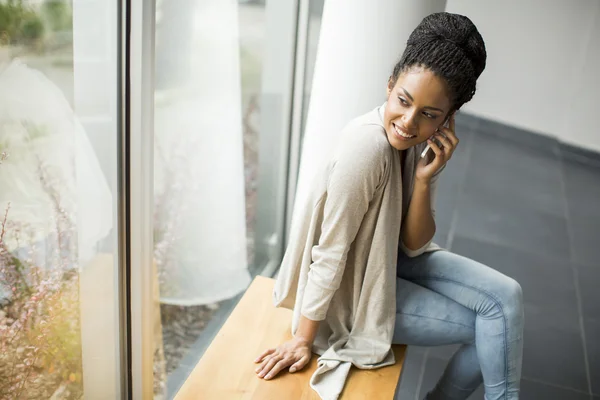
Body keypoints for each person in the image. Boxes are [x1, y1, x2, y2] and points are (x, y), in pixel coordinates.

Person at [255, 12, 524, 400]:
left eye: (429, 115)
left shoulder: (417, 146)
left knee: (508, 295)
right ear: (390, 85)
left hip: (387, 261)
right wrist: (302, 339)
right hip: (351, 294)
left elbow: (414, 245)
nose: (408, 123)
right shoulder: (367, 149)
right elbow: (329, 254)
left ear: (448, 119)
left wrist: (423, 180)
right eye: (403, 101)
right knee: (495, 324)